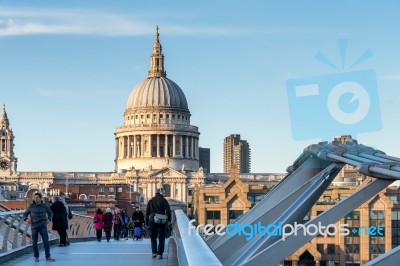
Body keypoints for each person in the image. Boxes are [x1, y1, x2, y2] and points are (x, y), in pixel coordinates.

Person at [23, 192, 56, 262]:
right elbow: (25, 214)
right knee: (34, 242)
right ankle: (36, 257)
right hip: (34, 226)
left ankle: (48, 257)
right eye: (34, 198)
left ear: (40, 198)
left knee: (46, 242)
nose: (35, 199)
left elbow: (50, 213)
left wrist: (49, 219)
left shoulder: (45, 206)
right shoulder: (31, 206)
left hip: (43, 226)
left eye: (37, 197)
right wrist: (26, 219)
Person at [146, 188, 171, 260]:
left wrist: (147, 223)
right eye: (164, 192)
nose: (165, 194)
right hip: (161, 220)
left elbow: (147, 212)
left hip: (152, 220)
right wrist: (169, 220)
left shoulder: (150, 200)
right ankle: (160, 254)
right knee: (161, 237)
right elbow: (168, 211)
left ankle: (154, 253)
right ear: (160, 192)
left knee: (153, 237)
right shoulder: (163, 200)